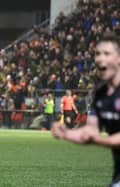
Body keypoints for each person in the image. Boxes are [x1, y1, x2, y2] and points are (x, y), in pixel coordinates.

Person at [51, 32, 120, 187]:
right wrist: (66, 133)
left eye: (107, 54)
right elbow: (90, 131)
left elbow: (95, 138)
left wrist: (98, 140)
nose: (100, 58)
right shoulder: (100, 94)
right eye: (97, 54)